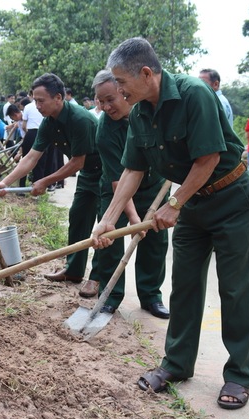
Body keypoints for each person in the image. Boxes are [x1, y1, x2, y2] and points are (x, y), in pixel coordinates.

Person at [93, 38, 249, 410]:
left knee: (234, 289)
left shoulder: (194, 94)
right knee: (184, 285)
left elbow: (209, 158)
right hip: (193, 206)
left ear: (147, 73)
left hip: (231, 199)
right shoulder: (138, 113)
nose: (118, 91)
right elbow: (133, 168)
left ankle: (238, 375)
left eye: (122, 83)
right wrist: (106, 221)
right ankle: (177, 365)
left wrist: (173, 203)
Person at [77, 69, 170, 319]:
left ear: (124, 91)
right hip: (115, 191)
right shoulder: (105, 130)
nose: (106, 106)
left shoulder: (149, 113)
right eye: (100, 101)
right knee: (109, 239)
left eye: (111, 99)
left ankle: (151, 296)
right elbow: (120, 181)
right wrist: (133, 218)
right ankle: (110, 296)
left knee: (155, 242)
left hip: (154, 188)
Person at [0, 73, 101, 283]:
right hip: (88, 174)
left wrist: (45, 181)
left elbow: (76, 163)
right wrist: (5, 182)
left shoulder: (80, 118)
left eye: (41, 101)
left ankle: (97, 279)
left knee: (104, 227)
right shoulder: (49, 123)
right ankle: (73, 270)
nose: (37, 106)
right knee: (78, 218)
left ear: (58, 98)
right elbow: (31, 157)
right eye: (35, 101)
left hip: (107, 173)